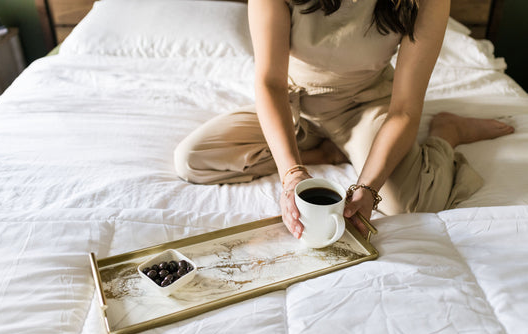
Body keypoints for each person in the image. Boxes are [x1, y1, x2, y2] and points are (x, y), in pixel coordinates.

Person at [174, 0, 514, 238]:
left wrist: (367, 188)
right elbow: (271, 83)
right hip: (292, 99)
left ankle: (447, 131)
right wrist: (292, 175)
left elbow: (405, 109)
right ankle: (325, 153)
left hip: (363, 104)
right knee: (195, 159)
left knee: (411, 202)